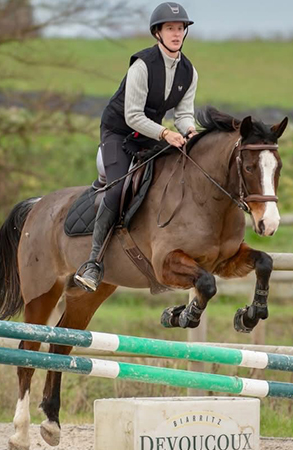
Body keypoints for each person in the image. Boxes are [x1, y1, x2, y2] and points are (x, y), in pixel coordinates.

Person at [74, 2, 198, 292]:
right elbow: (132, 116)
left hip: (150, 134)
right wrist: (166, 133)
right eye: (170, 28)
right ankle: (93, 262)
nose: (176, 33)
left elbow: (183, 114)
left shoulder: (189, 71)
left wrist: (190, 132)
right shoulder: (142, 65)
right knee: (118, 188)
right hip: (119, 132)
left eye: (180, 28)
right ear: (158, 32)